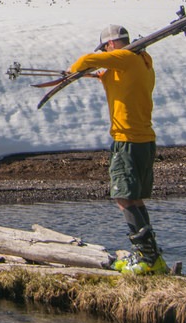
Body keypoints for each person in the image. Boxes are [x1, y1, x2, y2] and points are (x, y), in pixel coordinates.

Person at [67, 24, 166, 275]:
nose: (105, 52)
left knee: (123, 196)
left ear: (110, 44)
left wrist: (73, 70)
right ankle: (152, 257)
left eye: (105, 48)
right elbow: (123, 84)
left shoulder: (125, 58)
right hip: (144, 139)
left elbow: (86, 60)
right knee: (134, 197)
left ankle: (147, 258)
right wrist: (102, 76)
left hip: (127, 139)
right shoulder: (143, 62)